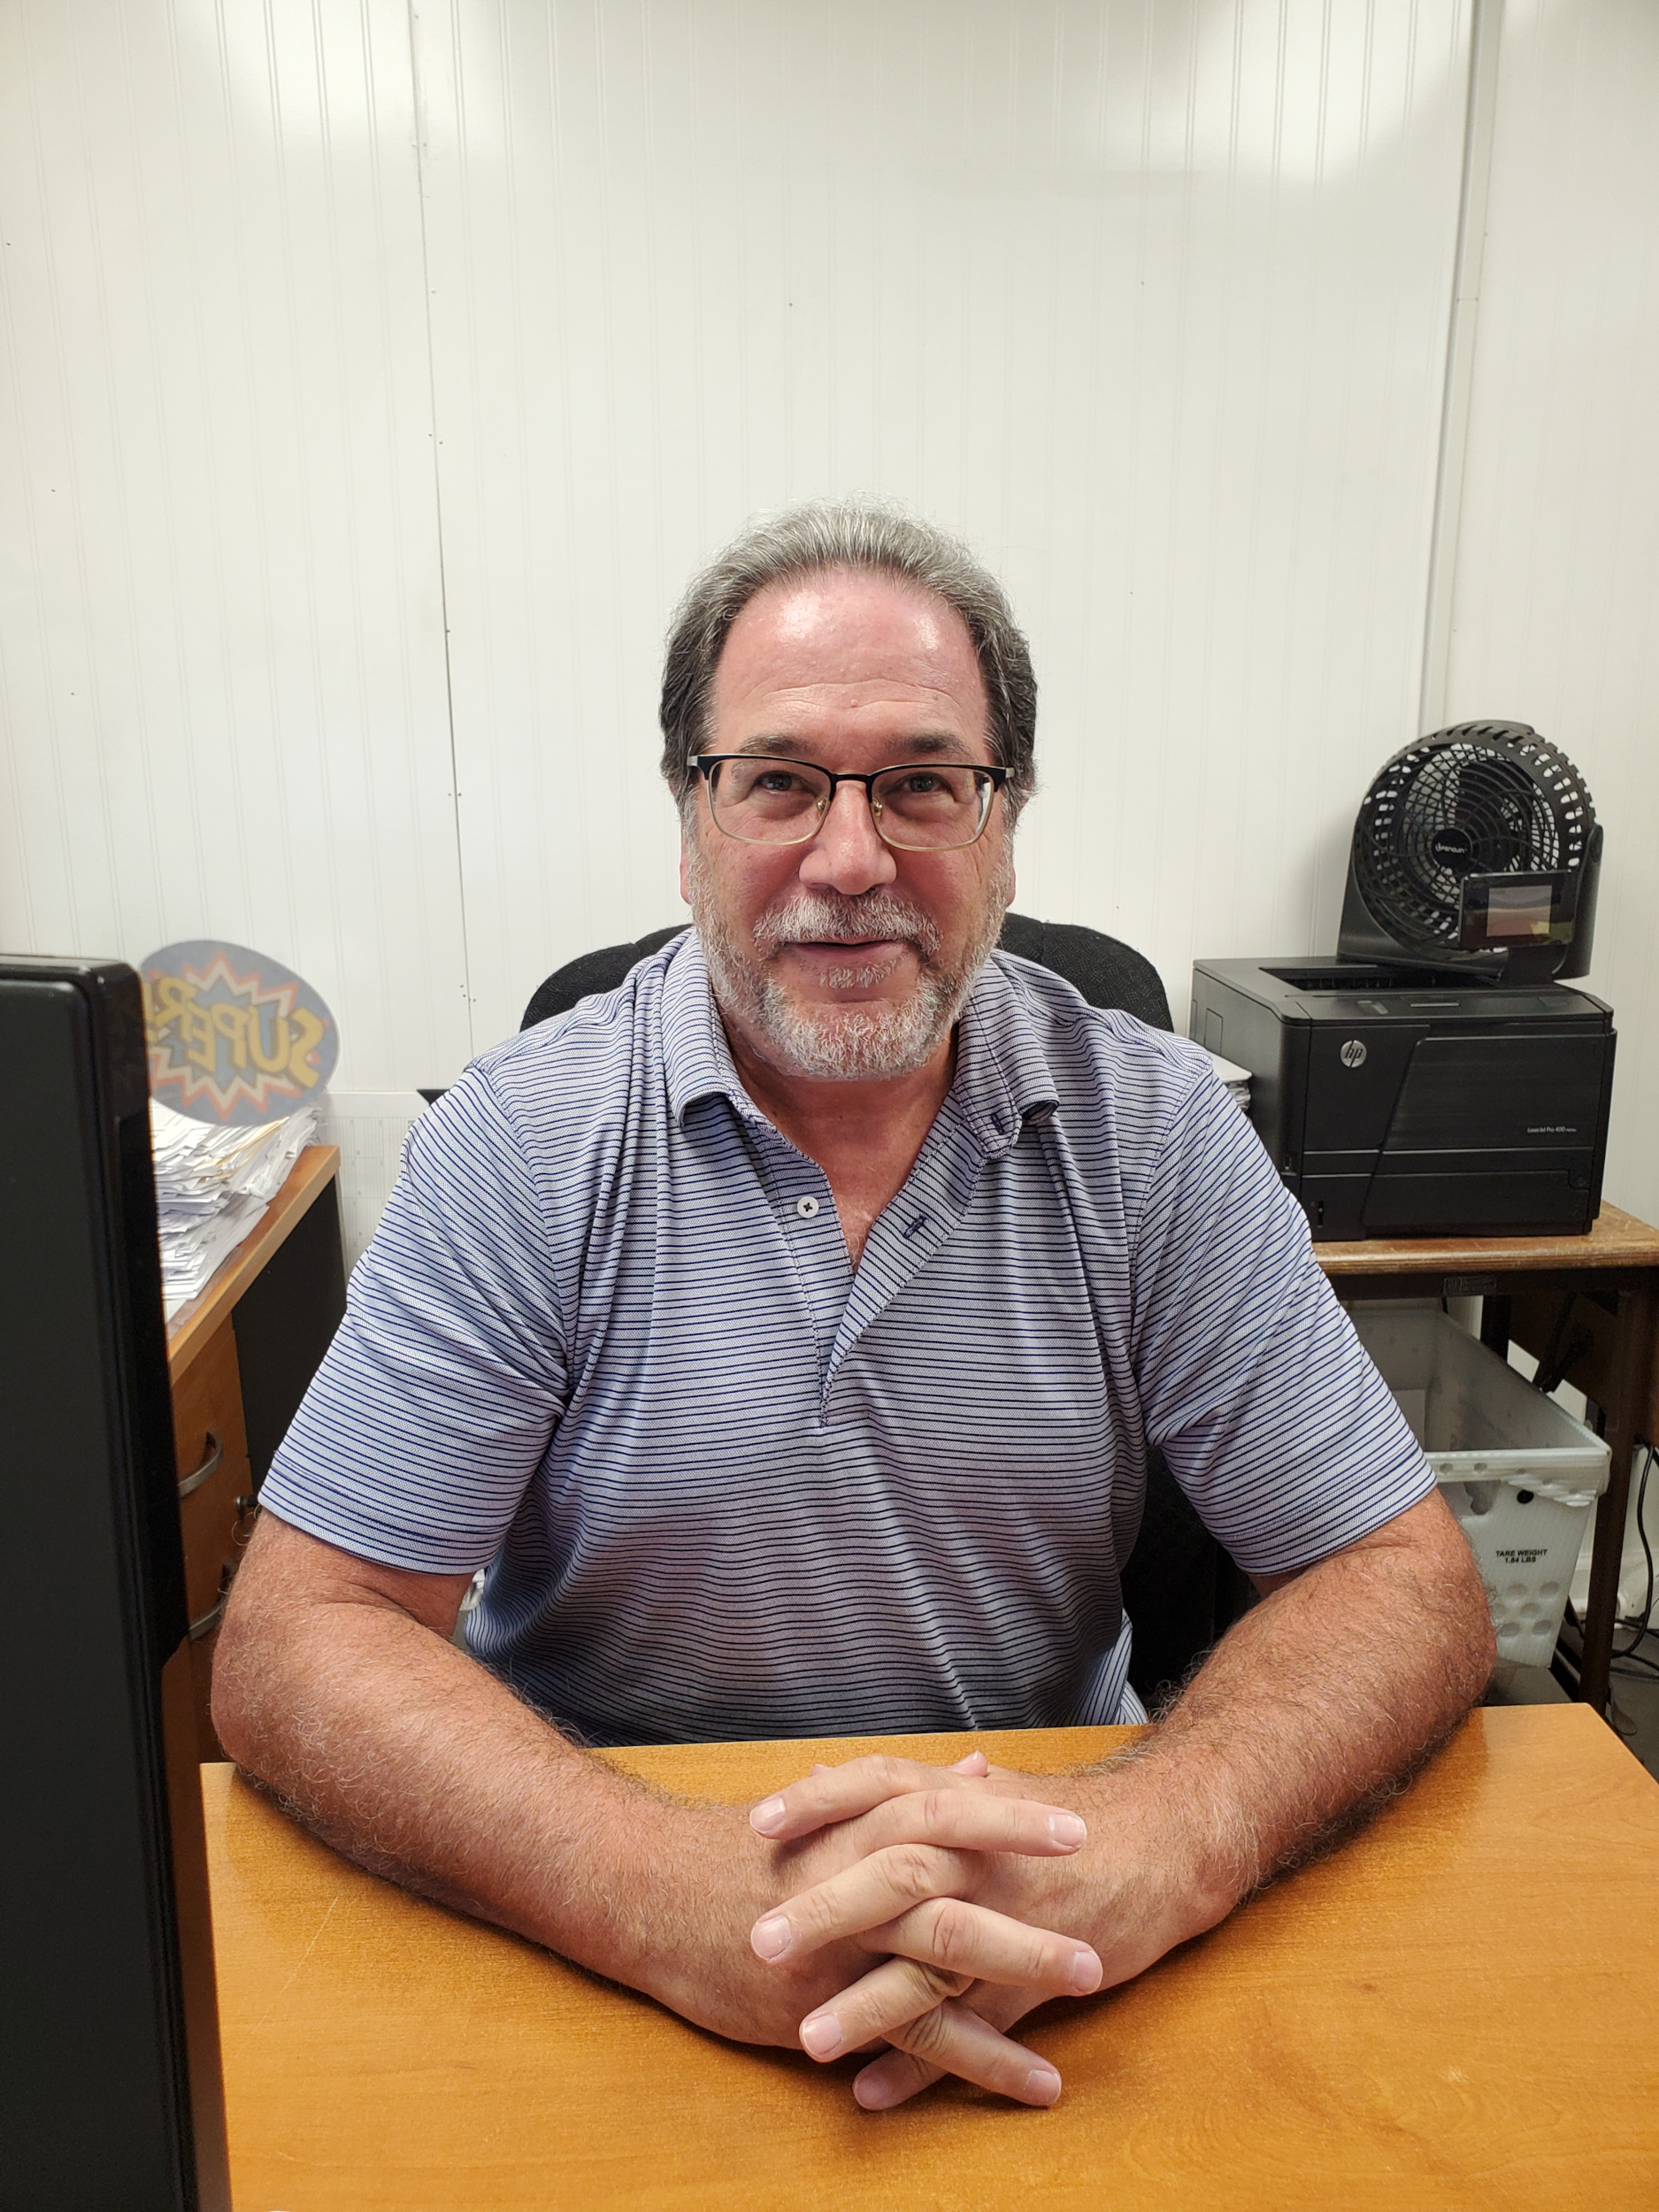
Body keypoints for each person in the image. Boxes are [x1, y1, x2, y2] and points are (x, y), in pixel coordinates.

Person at [213, 499, 1494, 2113]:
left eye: (920, 784)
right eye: (778, 782)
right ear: (691, 821)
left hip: (1054, 1905)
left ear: (1003, 824)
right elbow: (296, 1642)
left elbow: (1399, 1574)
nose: (847, 858)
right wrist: (667, 1896)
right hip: (598, 1919)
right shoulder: (524, 1144)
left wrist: (1151, 1848)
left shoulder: (1155, 1132)